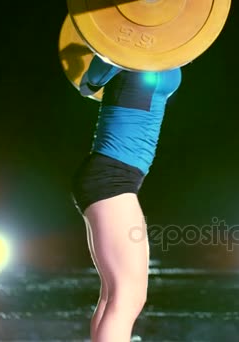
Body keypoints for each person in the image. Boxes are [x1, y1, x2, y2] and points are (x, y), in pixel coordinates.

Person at [71, 55, 181, 341]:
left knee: (114, 294)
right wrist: (118, 53)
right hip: (111, 176)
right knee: (127, 296)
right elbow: (87, 84)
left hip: (116, 177)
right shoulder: (122, 50)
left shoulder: (169, 46)